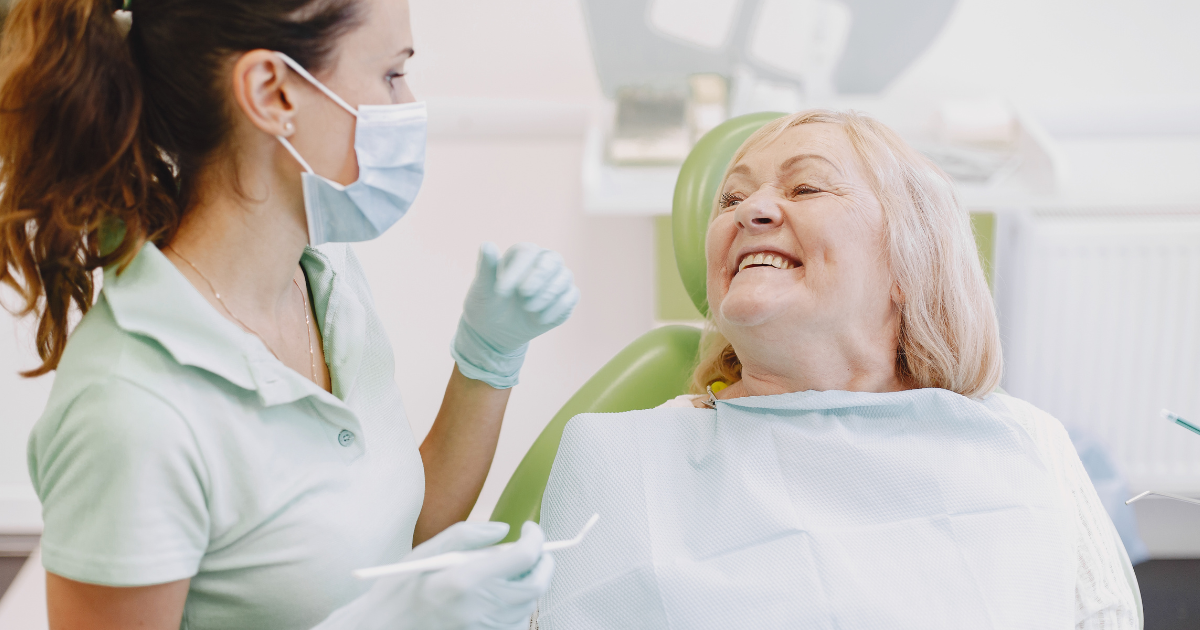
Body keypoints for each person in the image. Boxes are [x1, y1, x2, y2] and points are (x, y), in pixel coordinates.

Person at [0, 0, 579, 627]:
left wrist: (488, 357)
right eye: (390, 74)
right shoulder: (131, 408)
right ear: (273, 92)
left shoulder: (321, 279)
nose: (408, 104)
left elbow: (389, 536)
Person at [535, 110, 1140, 629]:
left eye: (806, 189)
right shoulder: (618, 462)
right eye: (732, 199)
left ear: (911, 259)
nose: (753, 212)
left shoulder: (1025, 446)